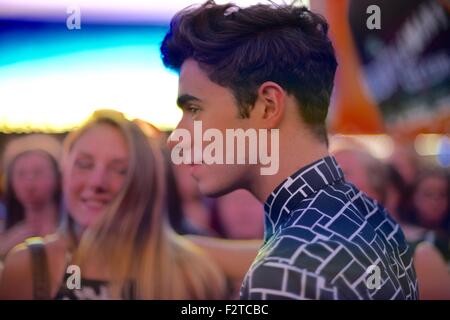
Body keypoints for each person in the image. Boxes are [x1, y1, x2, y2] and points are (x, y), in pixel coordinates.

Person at [161, 1, 418, 299]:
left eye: (194, 109)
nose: (177, 137)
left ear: (269, 105)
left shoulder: (283, 272)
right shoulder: (376, 220)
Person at [0, 110, 226, 299]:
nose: (97, 182)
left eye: (120, 170)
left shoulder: (189, 273)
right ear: (64, 172)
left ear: (145, 183)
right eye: (84, 164)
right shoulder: (28, 266)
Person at [0, 135, 62, 260]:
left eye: (38, 172)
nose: (29, 182)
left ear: (58, 178)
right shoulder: (5, 236)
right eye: (20, 174)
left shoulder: (70, 234)